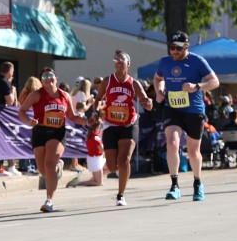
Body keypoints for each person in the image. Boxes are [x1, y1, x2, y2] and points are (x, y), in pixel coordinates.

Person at [153, 30, 219, 201]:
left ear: (187, 46)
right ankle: (174, 185)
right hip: (172, 108)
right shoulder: (165, 62)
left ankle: (197, 182)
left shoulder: (197, 61)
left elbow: (215, 82)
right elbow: (158, 78)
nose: (175, 51)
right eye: (172, 47)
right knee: (172, 143)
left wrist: (196, 86)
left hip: (194, 111)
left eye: (179, 48)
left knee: (193, 151)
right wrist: (159, 91)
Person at [17, 67, 88, 212]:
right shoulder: (36, 95)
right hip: (39, 132)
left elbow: (72, 116)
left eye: (50, 76)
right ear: (41, 81)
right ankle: (57, 167)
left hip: (57, 133)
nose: (48, 79)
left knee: (49, 164)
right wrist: (29, 122)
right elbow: (21, 111)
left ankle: (49, 201)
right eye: (44, 77)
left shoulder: (65, 96)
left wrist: (87, 121)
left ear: (56, 78)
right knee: (44, 172)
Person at [96, 50, 153, 206]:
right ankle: (117, 171)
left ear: (128, 64)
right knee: (112, 165)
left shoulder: (134, 83)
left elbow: (146, 102)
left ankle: (120, 195)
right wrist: (96, 110)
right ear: (114, 64)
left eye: (122, 59)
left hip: (129, 123)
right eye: (116, 60)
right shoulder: (107, 81)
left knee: (124, 160)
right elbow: (98, 99)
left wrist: (148, 103)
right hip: (110, 124)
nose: (119, 61)